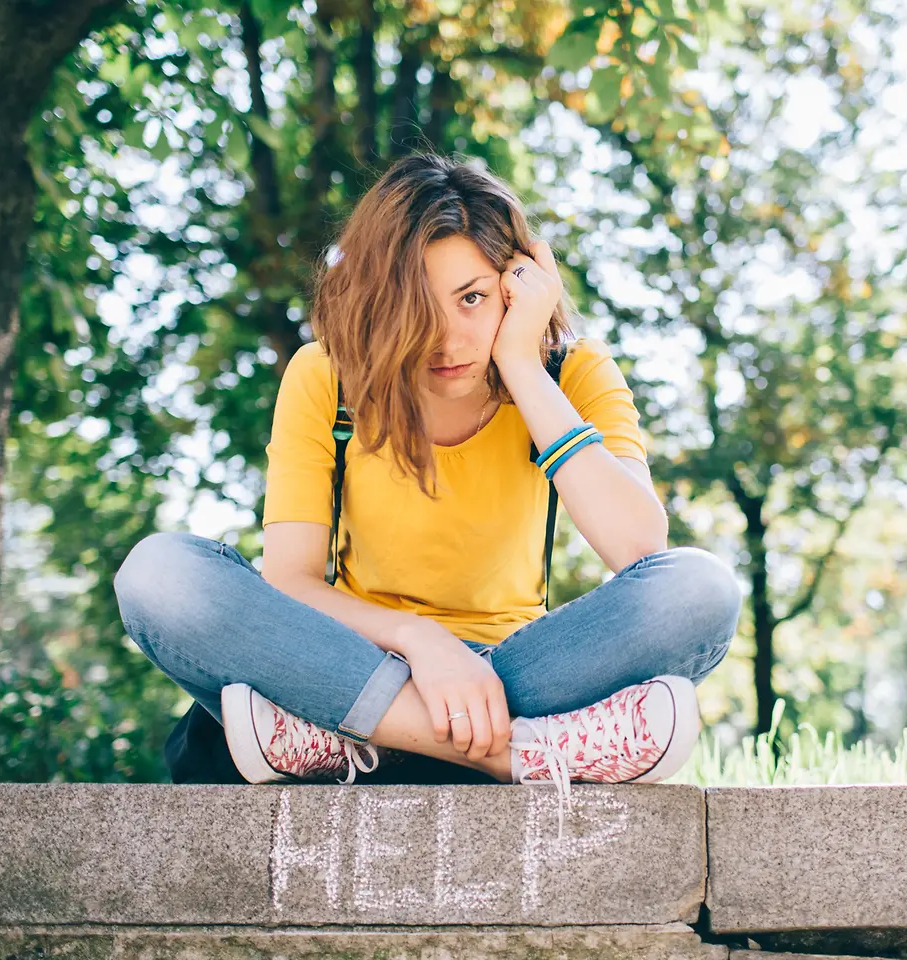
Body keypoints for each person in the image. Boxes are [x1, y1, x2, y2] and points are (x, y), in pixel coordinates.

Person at [113, 153, 742, 800]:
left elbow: (639, 548)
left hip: (519, 674)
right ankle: (514, 754)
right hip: (358, 657)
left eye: (473, 298)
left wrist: (523, 368)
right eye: (416, 303)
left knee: (702, 591)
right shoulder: (327, 376)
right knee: (158, 574)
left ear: (517, 287)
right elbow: (291, 581)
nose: (447, 338)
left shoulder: (569, 375)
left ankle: (362, 739)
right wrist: (421, 642)